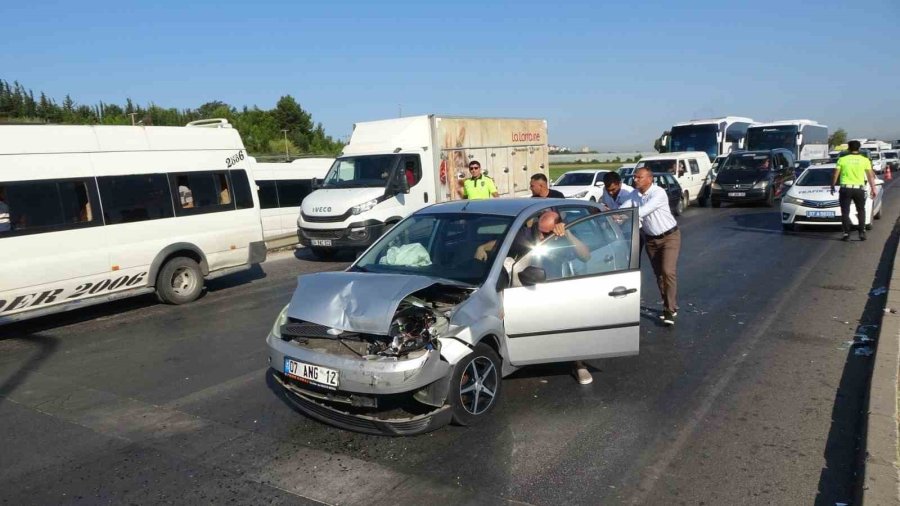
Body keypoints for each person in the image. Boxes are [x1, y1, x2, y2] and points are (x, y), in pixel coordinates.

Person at [630, 167, 680, 326]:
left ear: (649, 179)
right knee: (659, 275)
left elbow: (644, 211)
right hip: (651, 240)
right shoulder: (635, 194)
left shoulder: (658, 193)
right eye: (635, 177)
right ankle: (669, 304)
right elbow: (623, 208)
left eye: (639, 177)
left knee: (667, 271)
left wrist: (627, 214)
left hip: (669, 237)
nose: (636, 180)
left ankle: (669, 310)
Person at [832, 140, 878, 241]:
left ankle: (846, 234)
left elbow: (836, 174)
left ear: (848, 148)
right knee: (861, 210)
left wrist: (833, 185)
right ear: (859, 148)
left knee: (845, 212)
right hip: (859, 189)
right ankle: (861, 232)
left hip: (845, 188)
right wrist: (873, 188)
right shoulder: (865, 160)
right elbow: (870, 176)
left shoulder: (842, 159)